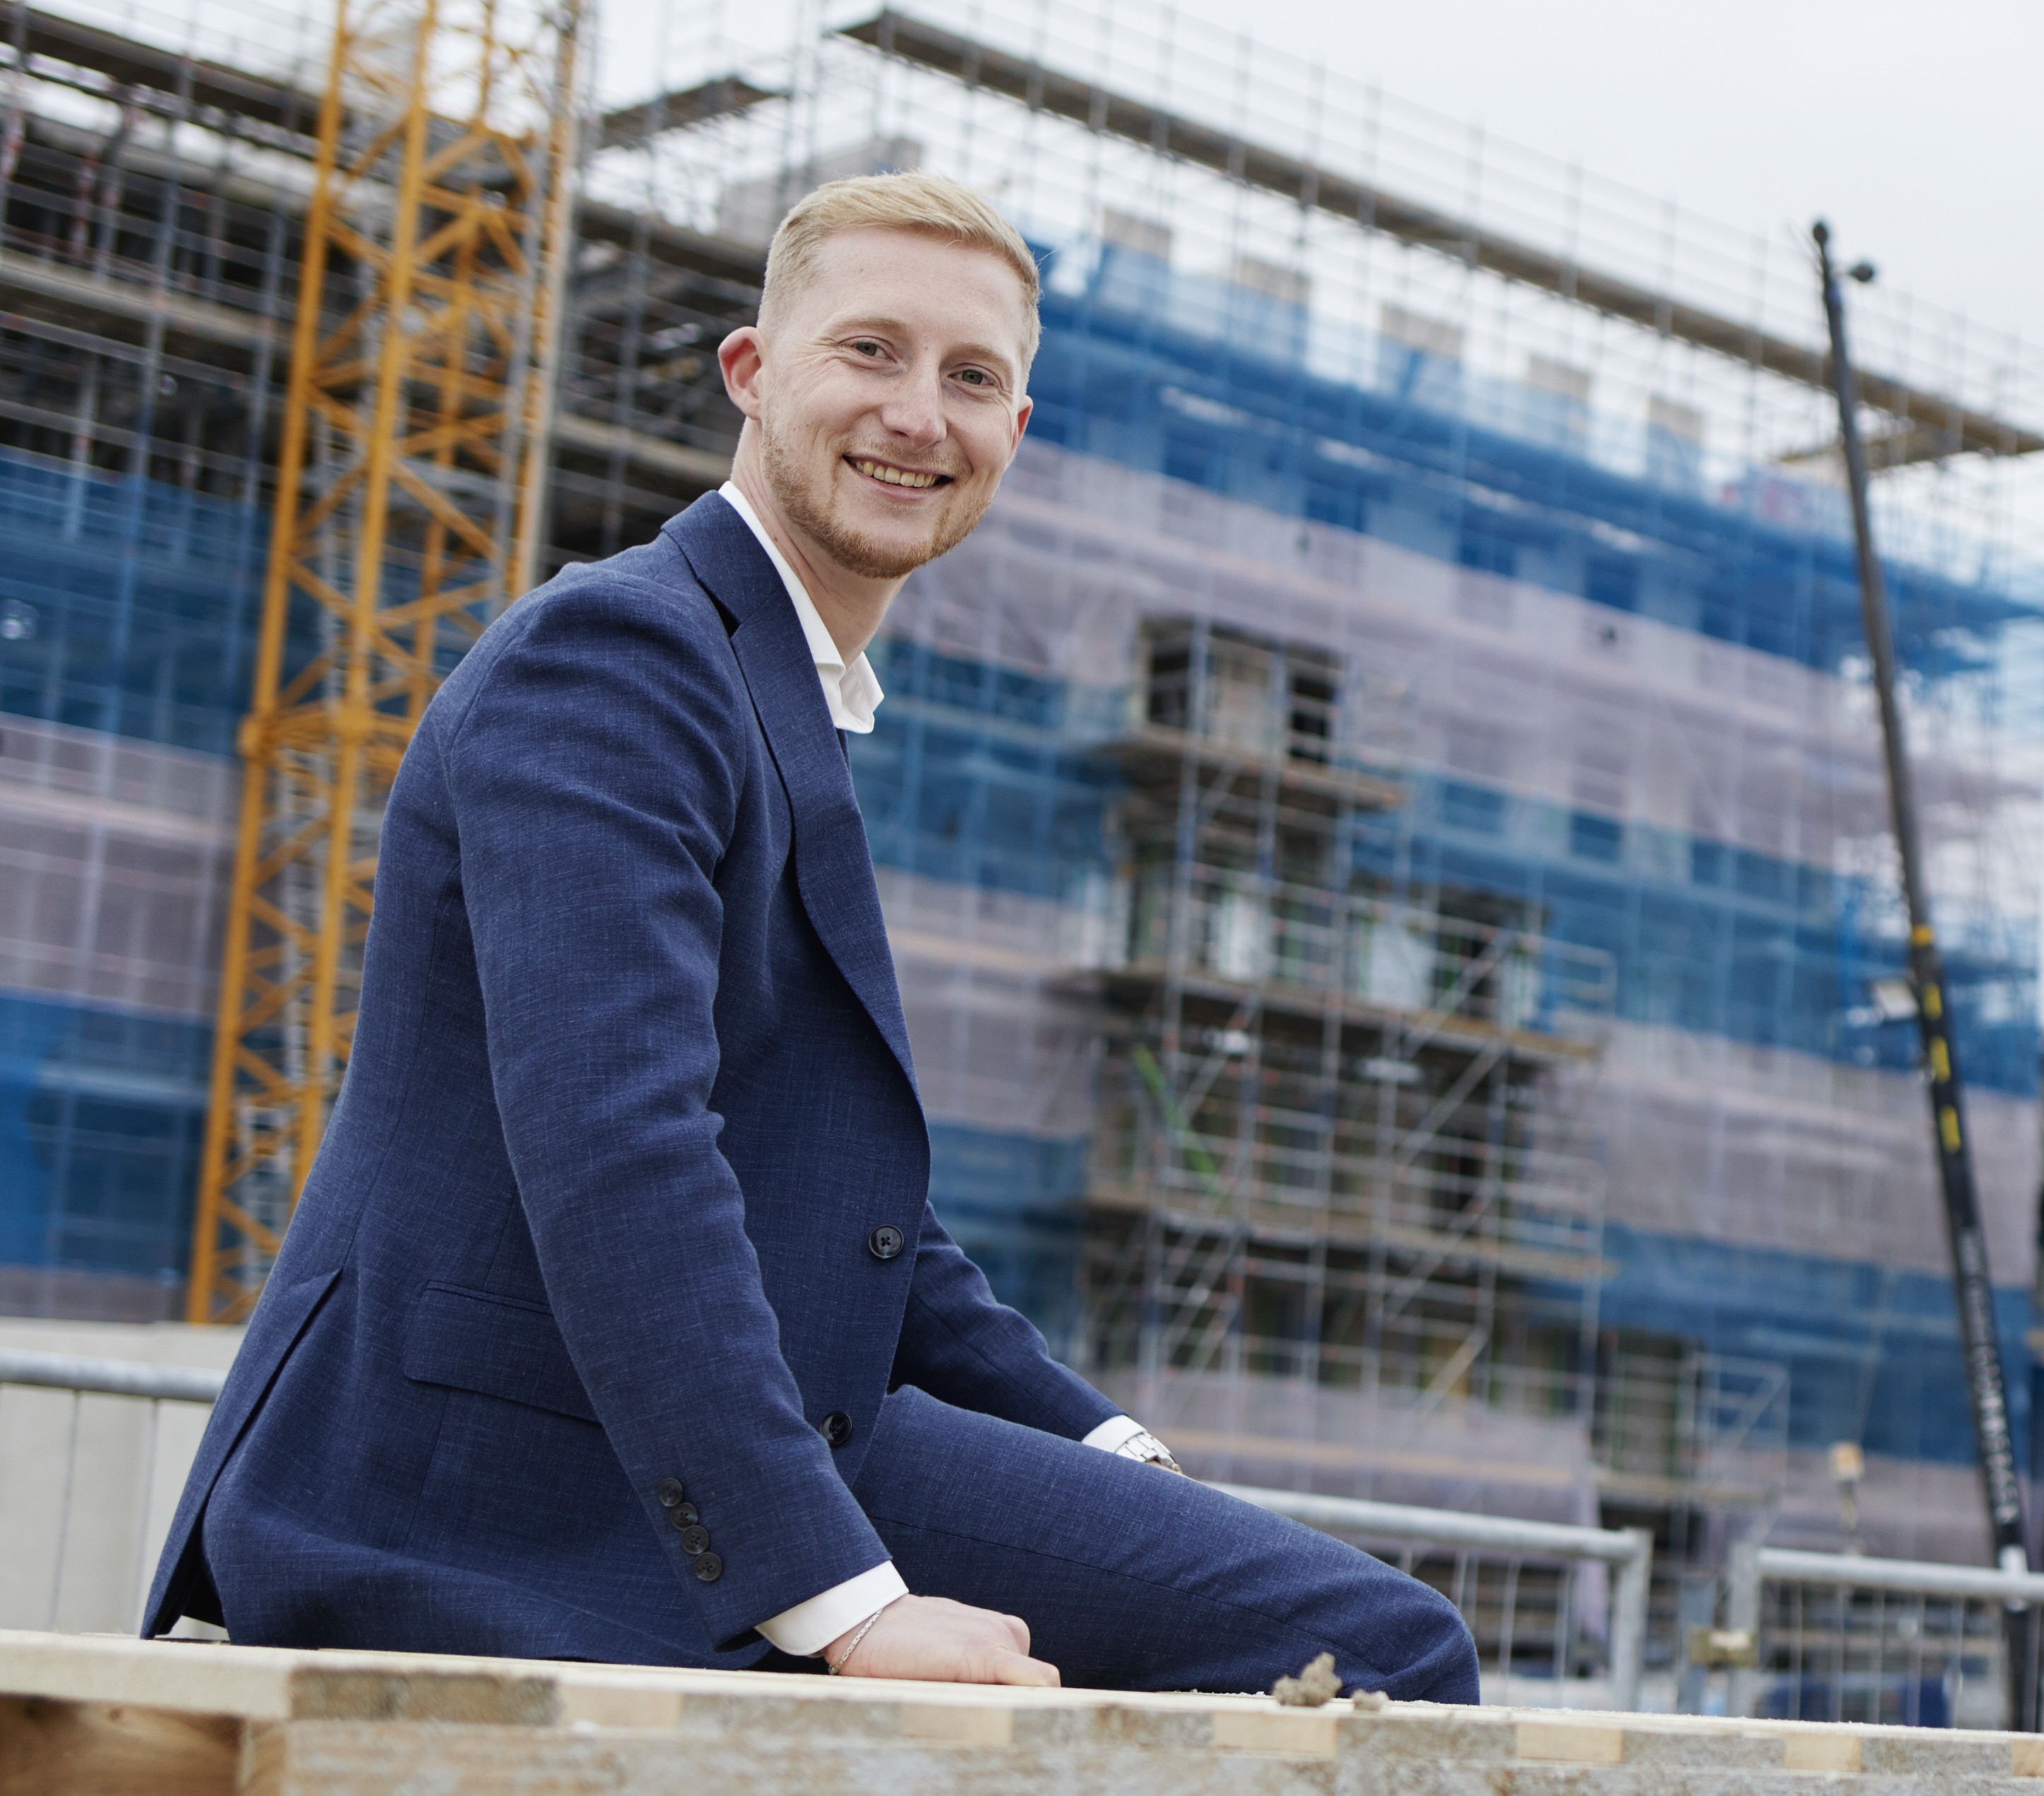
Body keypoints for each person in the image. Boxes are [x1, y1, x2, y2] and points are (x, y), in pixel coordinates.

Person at [138, 172, 1477, 1699]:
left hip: (695, 1427)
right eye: (870, 353)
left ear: (1014, 438)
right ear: (752, 373)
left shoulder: (773, 692)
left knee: (1310, 1629)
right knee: (1372, 1652)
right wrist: (832, 1596)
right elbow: (616, 1143)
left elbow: (848, 1228)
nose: (920, 414)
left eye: (972, 378)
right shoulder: (622, 656)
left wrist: (1112, 1450)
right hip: (494, 1473)